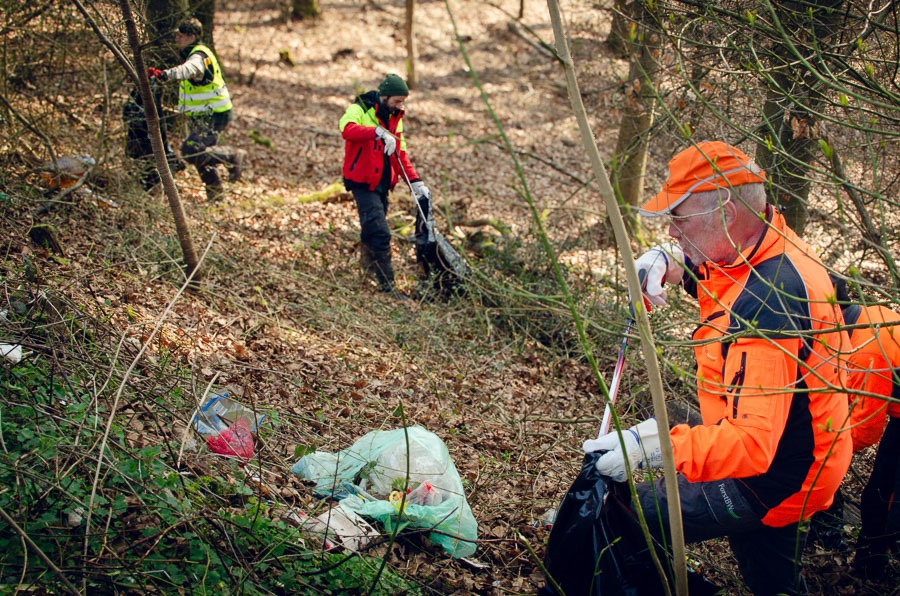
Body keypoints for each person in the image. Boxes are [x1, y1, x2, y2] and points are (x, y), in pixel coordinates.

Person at [583, 141, 853, 595]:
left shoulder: (772, 301)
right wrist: (677, 266)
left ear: (726, 213)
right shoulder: (764, 247)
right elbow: (731, 284)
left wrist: (654, 448)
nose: (671, 231)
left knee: (631, 516)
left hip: (777, 475)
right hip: (800, 449)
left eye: (679, 219)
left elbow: (751, 447)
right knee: (770, 574)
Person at [830, 277, 900, 578]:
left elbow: (865, 430)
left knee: (886, 501)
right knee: (878, 493)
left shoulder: (867, 352)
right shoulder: (874, 313)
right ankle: (871, 563)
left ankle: (876, 561)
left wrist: (824, 450)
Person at [339, 74, 430, 295]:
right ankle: (387, 287)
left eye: (403, 101)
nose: (400, 106)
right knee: (380, 232)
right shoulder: (360, 108)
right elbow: (347, 129)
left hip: (382, 184)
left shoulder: (395, 118)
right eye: (397, 101)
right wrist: (376, 132)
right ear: (385, 96)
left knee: (371, 230)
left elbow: (400, 154)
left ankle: (366, 273)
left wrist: (415, 182)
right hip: (362, 182)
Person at [147, 18, 246, 201]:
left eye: (180, 35)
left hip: (214, 114)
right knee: (202, 153)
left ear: (191, 36)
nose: (176, 39)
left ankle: (233, 156)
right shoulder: (195, 53)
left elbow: (189, 69)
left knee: (191, 149)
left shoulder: (198, 56)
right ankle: (216, 196)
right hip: (205, 115)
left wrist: (165, 74)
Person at [122, 85, 185, 191]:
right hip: (142, 145)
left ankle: (157, 185)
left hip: (147, 145)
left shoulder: (151, 101)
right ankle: (154, 185)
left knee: (150, 165)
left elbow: (160, 130)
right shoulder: (138, 100)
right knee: (145, 166)